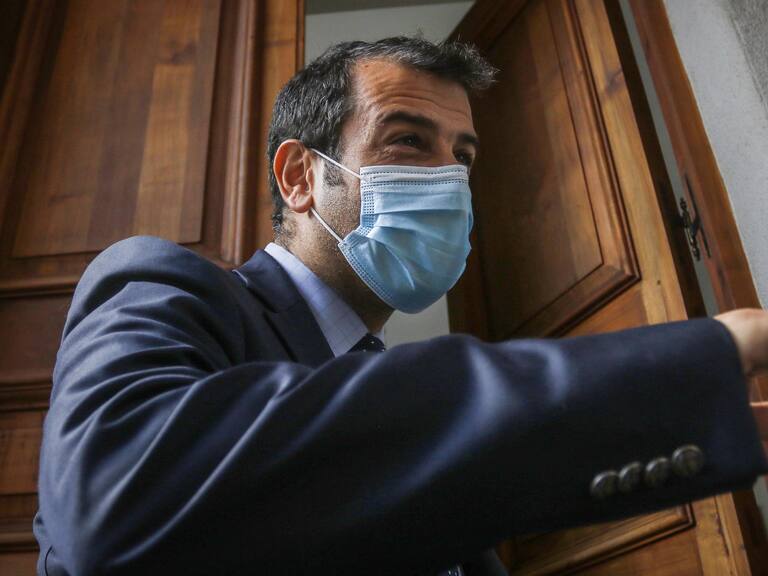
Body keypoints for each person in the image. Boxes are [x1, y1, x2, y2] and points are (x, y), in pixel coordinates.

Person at [34, 37, 768, 576]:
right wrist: (688, 367)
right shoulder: (162, 287)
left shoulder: (400, 404)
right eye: (409, 140)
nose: (449, 178)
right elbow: (113, 509)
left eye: (465, 157)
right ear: (300, 178)